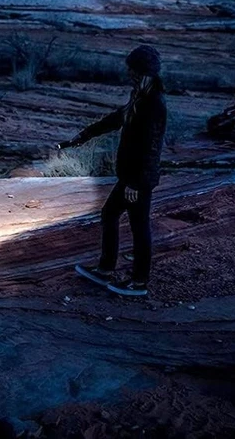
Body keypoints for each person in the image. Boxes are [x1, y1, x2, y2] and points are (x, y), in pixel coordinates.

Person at [57, 45, 167, 297]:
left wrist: (135, 183)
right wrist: (83, 136)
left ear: (141, 71)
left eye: (131, 69)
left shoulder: (153, 103)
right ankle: (106, 269)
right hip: (131, 176)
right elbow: (117, 119)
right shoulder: (140, 96)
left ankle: (138, 283)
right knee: (110, 215)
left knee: (139, 227)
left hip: (138, 180)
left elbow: (151, 146)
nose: (128, 73)